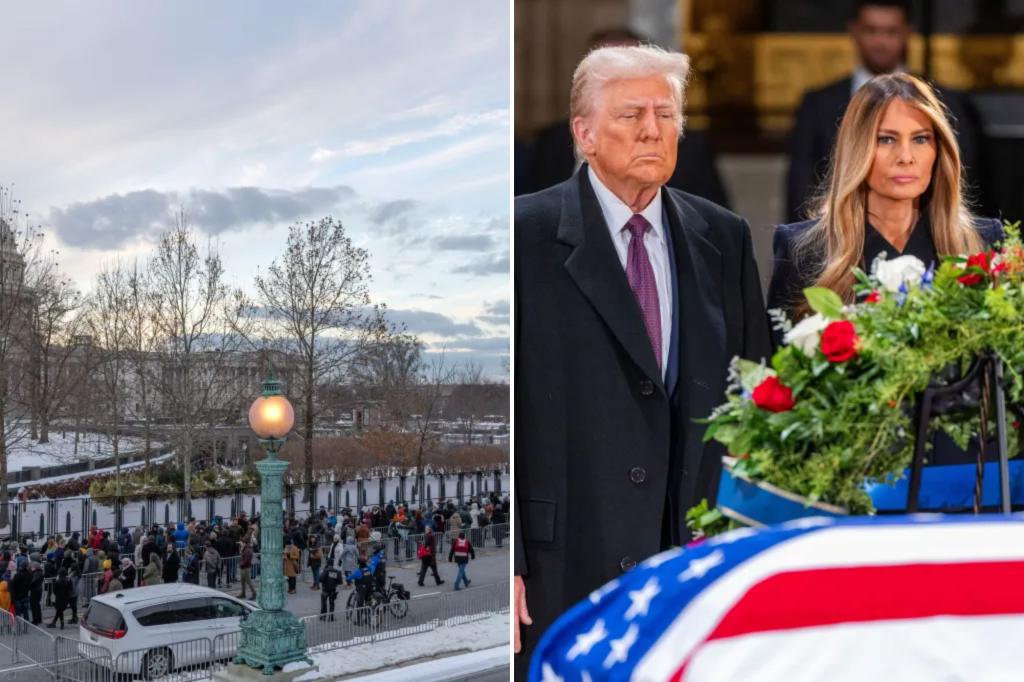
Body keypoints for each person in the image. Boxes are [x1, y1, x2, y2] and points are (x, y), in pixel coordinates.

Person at [514, 44, 771, 669]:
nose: (653, 130)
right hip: (564, 559)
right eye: (631, 115)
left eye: (666, 114)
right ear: (585, 133)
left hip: (691, 562)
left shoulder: (724, 237)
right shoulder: (522, 234)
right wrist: (510, 568)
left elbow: (756, 403)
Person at [769, 73, 1002, 320]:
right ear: (857, 148)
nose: (905, 156)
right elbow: (779, 353)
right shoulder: (803, 250)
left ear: (939, 149)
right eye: (886, 139)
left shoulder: (982, 243)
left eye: (920, 139)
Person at [786, 0, 981, 223]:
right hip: (836, 235)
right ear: (854, 31)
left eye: (891, 32)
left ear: (908, 32)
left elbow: (965, 178)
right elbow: (800, 184)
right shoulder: (817, 105)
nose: (880, 42)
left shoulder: (946, 103)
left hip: (928, 231)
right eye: (871, 31)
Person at [526, 27, 731, 210]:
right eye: (609, 71)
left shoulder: (690, 149)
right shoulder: (550, 144)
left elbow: (714, 230)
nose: (651, 130)